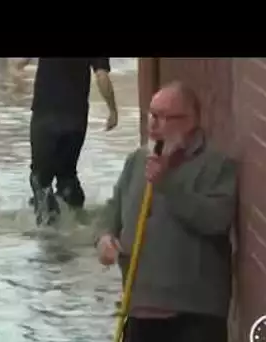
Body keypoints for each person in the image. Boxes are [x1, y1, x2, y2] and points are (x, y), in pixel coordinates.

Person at [95, 81, 237, 342]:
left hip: (192, 314)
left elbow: (215, 220)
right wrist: (105, 237)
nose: (153, 125)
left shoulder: (216, 166)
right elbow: (112, 211)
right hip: (139, 307)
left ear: (190, 120)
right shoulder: (137, 161)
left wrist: (167, 184)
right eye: (152, 115)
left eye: (163, 118)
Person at [13, 58, 119, 225]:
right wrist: (112, 110)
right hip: (75, 118)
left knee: (40, 178)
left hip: (45, 115)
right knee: (67, 175)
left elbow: (20, 62)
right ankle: (74, 223)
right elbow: (101, 75)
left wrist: (17, 72)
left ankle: (47, 226)